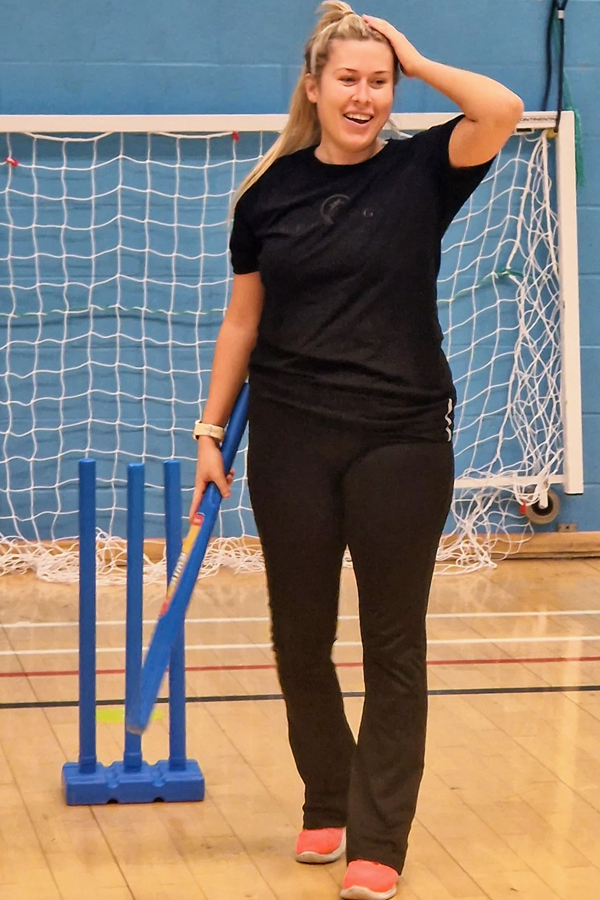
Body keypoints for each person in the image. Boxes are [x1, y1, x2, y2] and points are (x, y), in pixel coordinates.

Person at [190, 4, 523, 899]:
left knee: (391, 644)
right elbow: (242, 321)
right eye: (349, 78)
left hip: (402, 436)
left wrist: (413, 54)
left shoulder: (426, 167)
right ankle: (325, 800)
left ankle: (381, 838)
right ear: (314, 86)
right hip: (292, 436)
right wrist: (210, 433)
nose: (365, 95)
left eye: (380, 81)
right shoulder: (268, 195)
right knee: (298, 639)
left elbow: (501, 107)